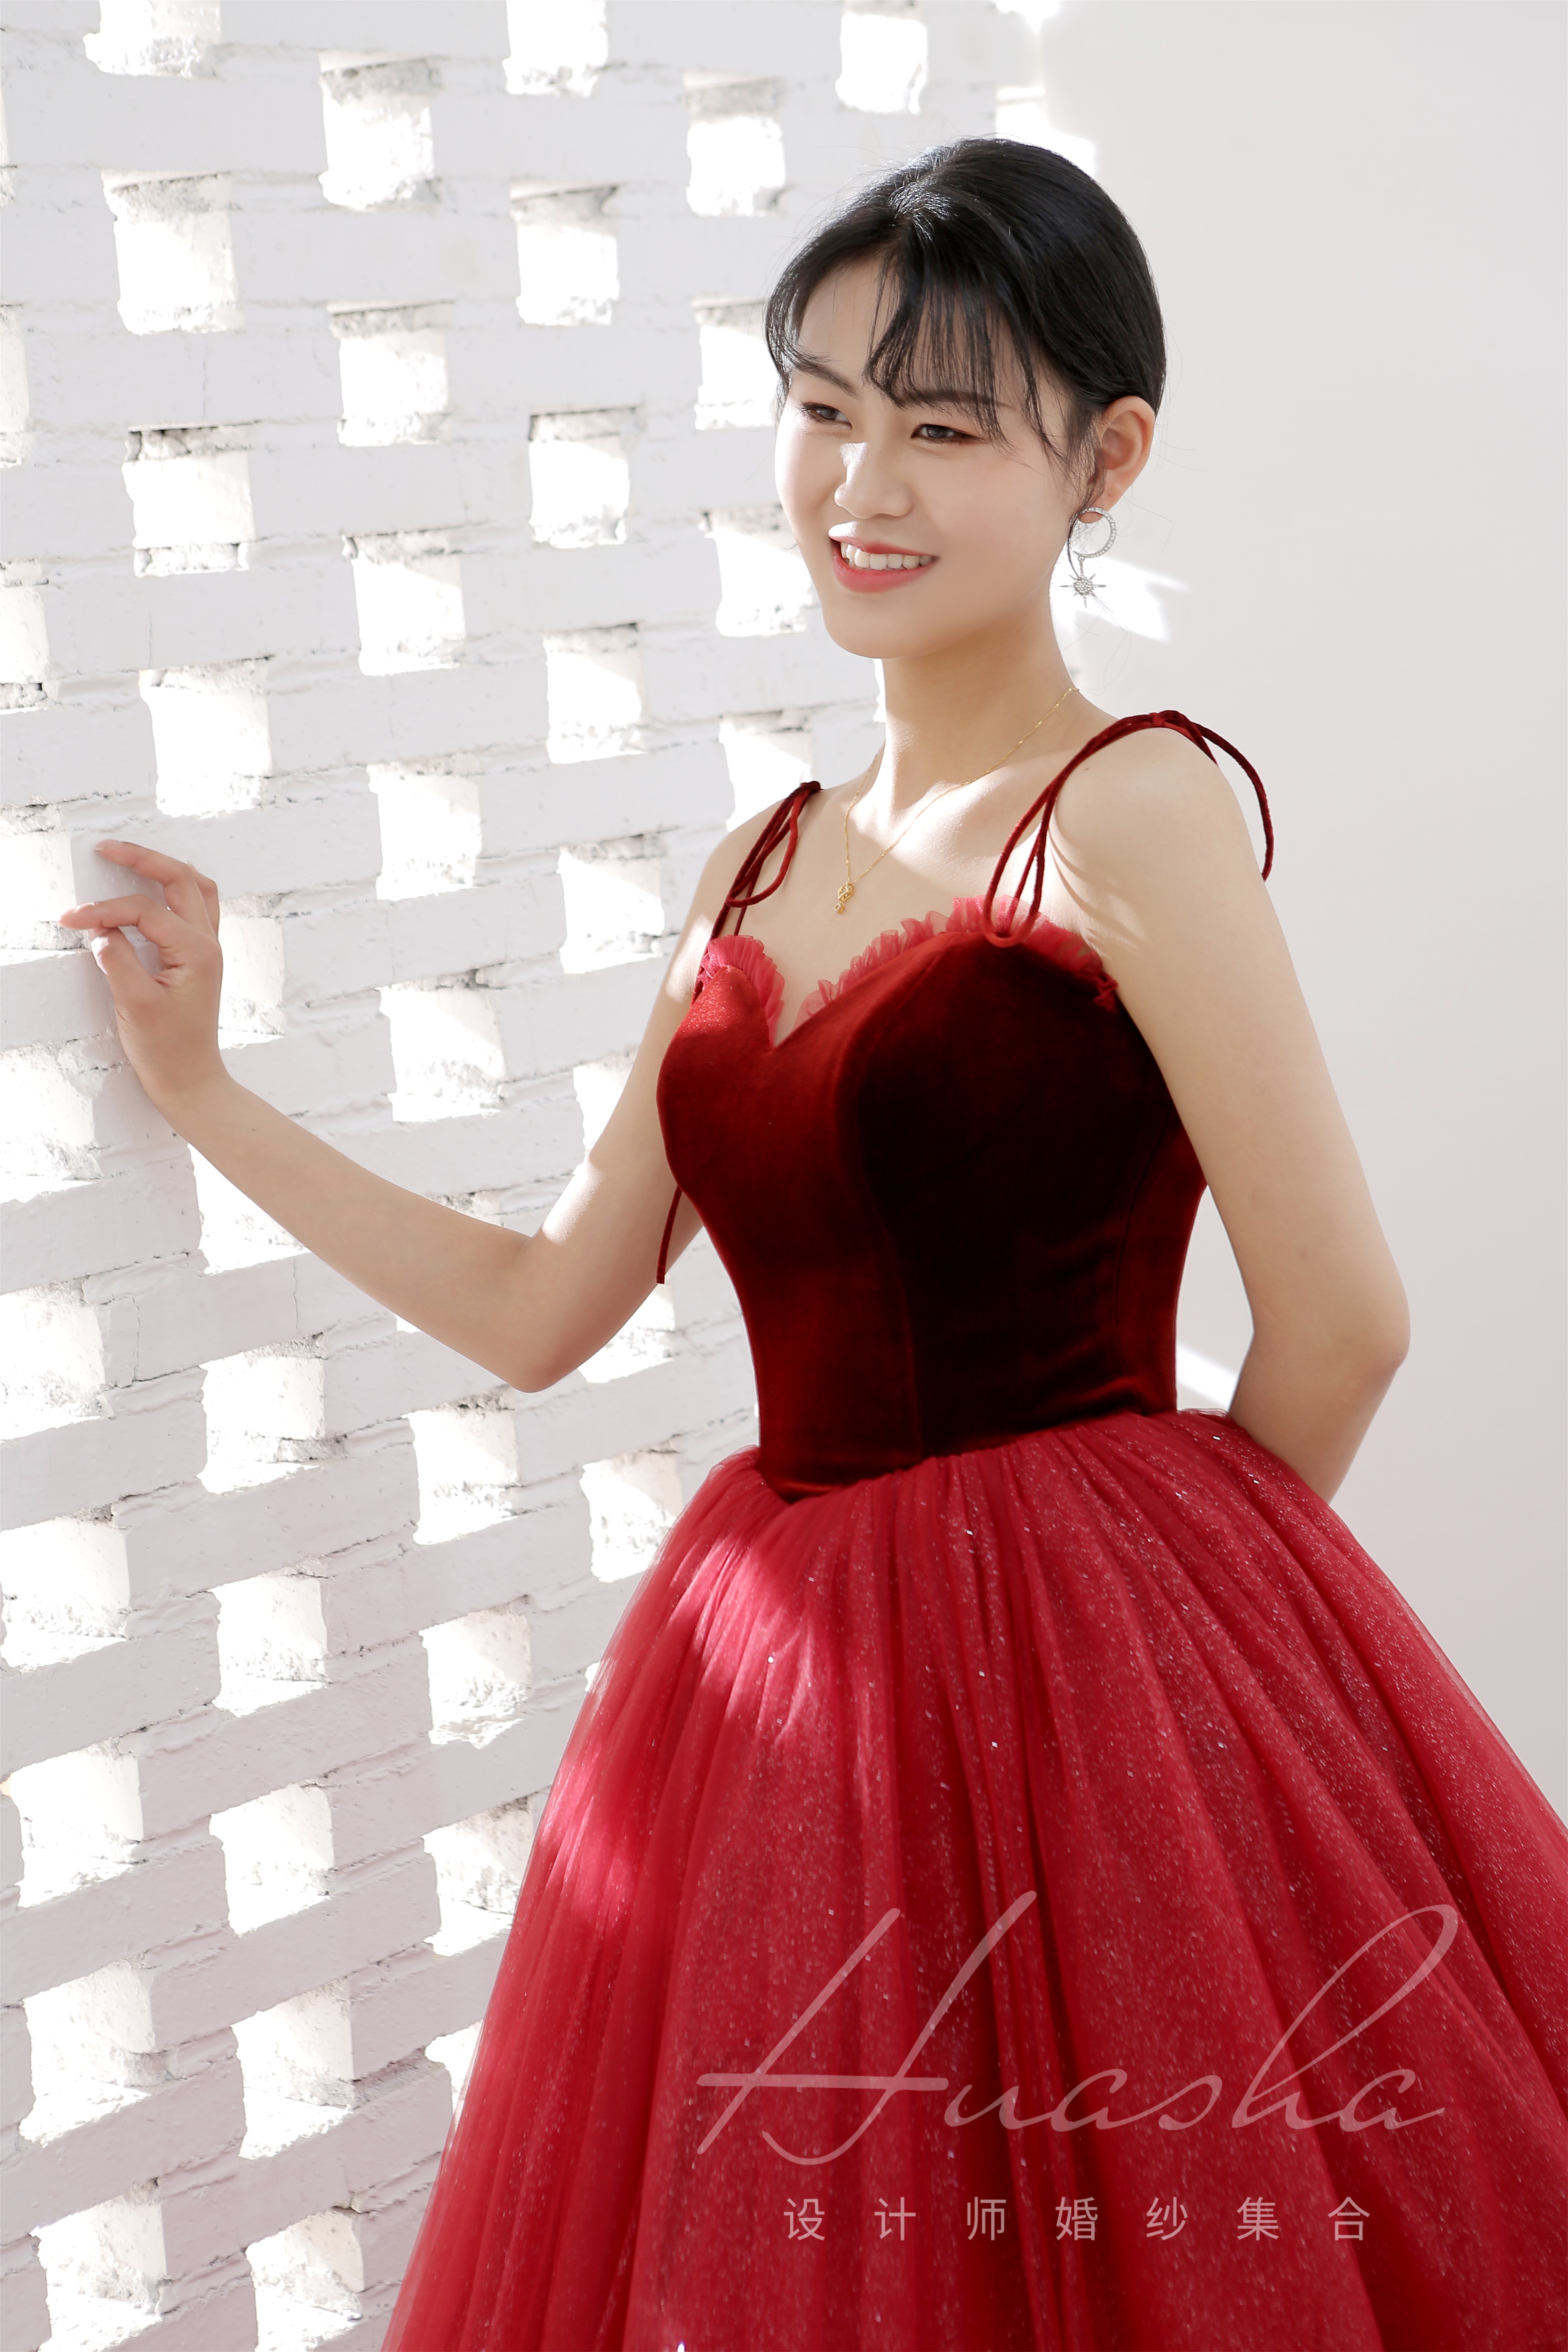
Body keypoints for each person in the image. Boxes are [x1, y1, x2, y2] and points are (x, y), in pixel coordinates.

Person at [64, 138, 1566, 2352]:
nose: (862, 484)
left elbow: (1342, 1321)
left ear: (1105, 459)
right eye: (826, 407)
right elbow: (547, 1306)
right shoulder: (761, 863)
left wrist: (1154, 1690)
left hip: (1082, 1687)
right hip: (786, 1708)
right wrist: (206, 1091)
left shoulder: (1134, 809)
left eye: (944, 428)